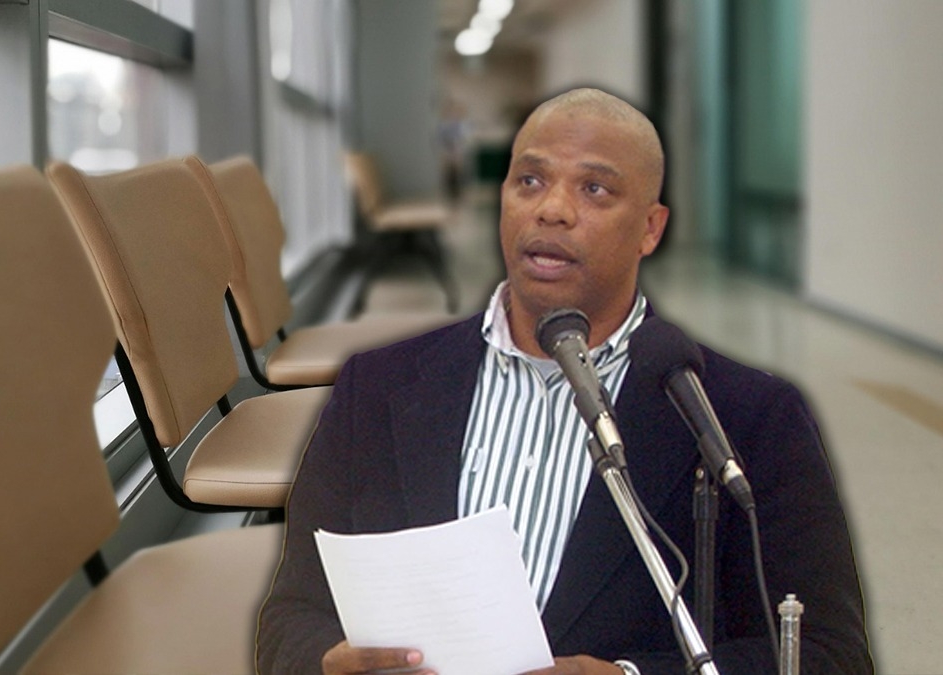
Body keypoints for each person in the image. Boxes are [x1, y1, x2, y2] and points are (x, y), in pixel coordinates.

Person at [256, 88, 872, 675]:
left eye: (595, 189)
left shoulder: (746, 418)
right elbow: (291, 619)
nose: (551, 209)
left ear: (650, 229)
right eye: (530, 180)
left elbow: (827, 655)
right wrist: (325, 664)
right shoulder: (378, 388)